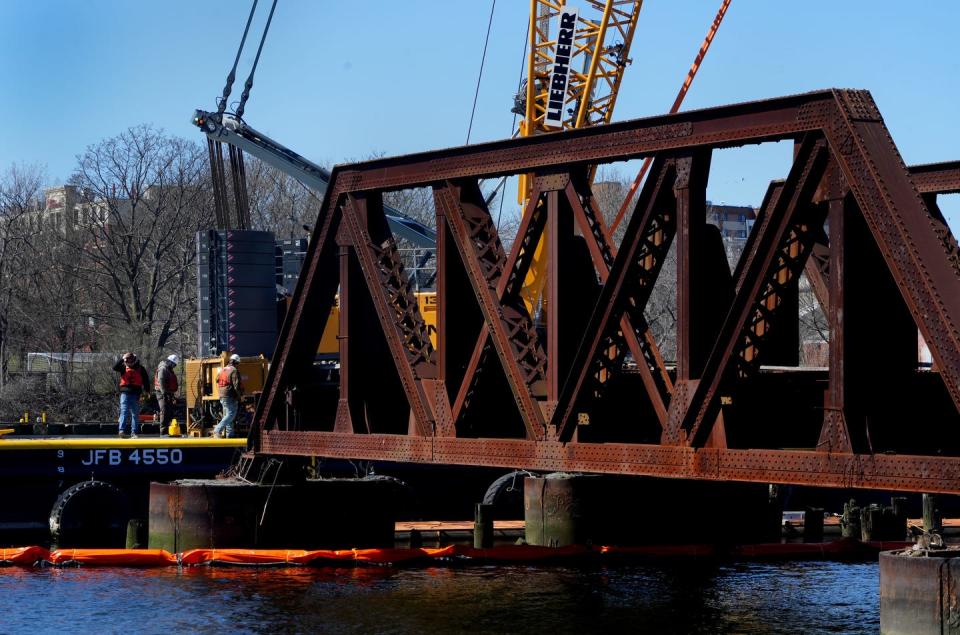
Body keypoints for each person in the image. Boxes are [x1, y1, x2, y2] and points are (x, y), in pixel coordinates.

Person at [112, 352, 150, 438]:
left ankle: (134, 433)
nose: (128, 363)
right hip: (125, 394)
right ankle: (121, 431)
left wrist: (147, 391)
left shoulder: (141, 369)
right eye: (126, 361)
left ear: (134, 360)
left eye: (129, 361)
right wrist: (122, 358)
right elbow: (114, 367)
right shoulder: (123, 367)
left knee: (135, 414)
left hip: (136, 394)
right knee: (124, 412)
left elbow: (146, 380)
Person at [213, 353, 244, 438]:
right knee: (231, 414)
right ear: (236, 362)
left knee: (227, 414)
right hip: (229, 395)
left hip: (222, 395)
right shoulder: (234, 370)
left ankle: (230, 435)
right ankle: (217, 430)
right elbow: (236, 386)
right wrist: (240, 396)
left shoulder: (223, 369)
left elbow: (216, 379)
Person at [154, 354, 180, 435]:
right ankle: (163, 430)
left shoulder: (169, 369)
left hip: (168, 392)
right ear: (169, 362)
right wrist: (164, 393)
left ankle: (168, 429)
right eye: (173, 364)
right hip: (161, 392)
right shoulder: (163, 368)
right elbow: (161, 381)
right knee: (164, 410)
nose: (174, 366)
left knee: (169, 410)